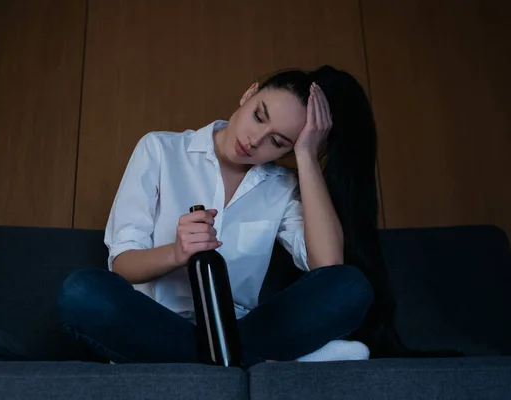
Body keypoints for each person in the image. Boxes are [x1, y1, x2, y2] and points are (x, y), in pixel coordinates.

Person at [57, 65, 409, 367]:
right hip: (153, 321)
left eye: (279, 141)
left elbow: (328, 266)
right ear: (249, 93)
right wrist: (176, 253)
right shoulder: (161, 149)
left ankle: (219, 357)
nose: (255, 140)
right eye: (259, 115)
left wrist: (306, 154)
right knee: (82, 292)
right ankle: (260, 361)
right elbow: (122, 264)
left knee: (350, 285)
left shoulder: (282, 186)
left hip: (243, 326)